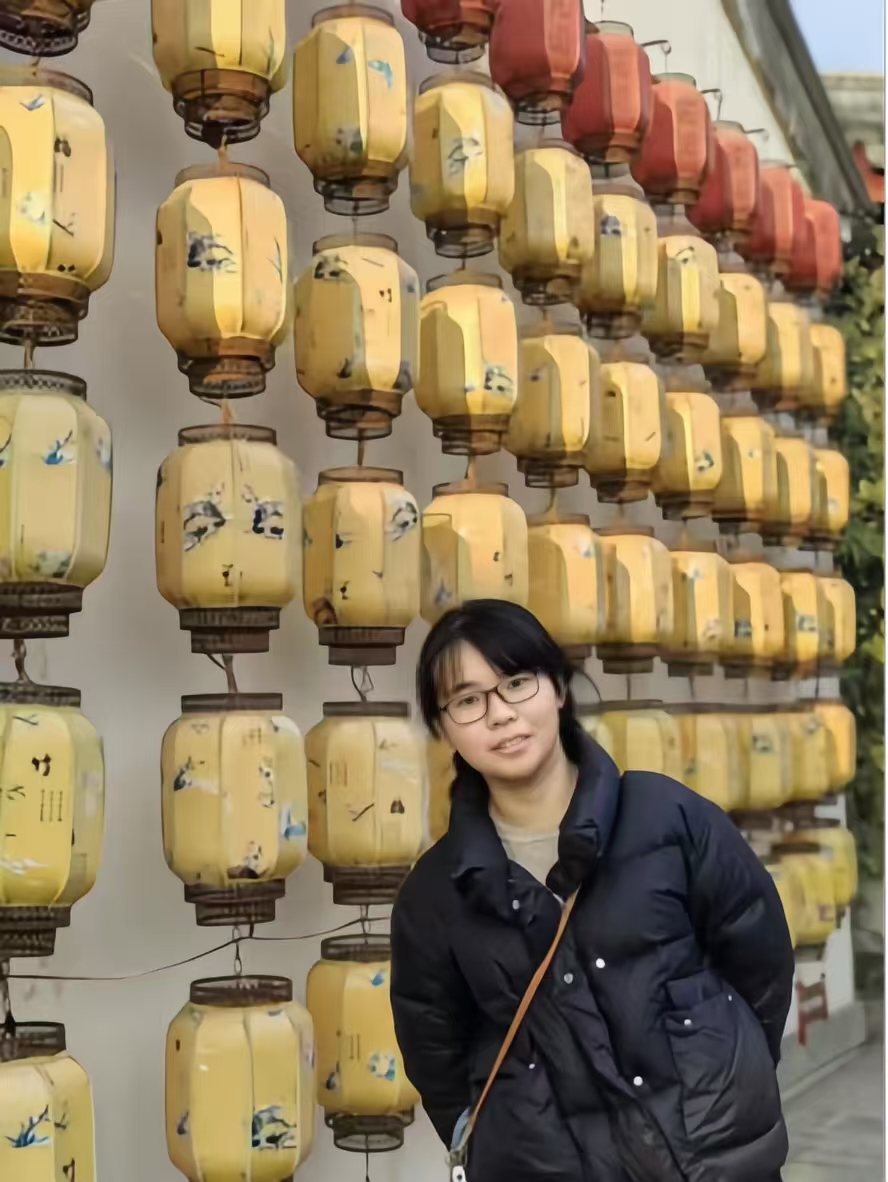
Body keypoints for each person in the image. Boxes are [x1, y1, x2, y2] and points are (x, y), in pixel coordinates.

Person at [391, 600, 794, 1182]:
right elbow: (437, 1059)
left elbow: (760, 963)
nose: (500, 714)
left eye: (517, 683)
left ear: (558, 687)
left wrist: (730, 1084)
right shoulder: (435, 894)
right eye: (468, 700)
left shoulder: (666, 817)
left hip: (712, 1163)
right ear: (444, 727)